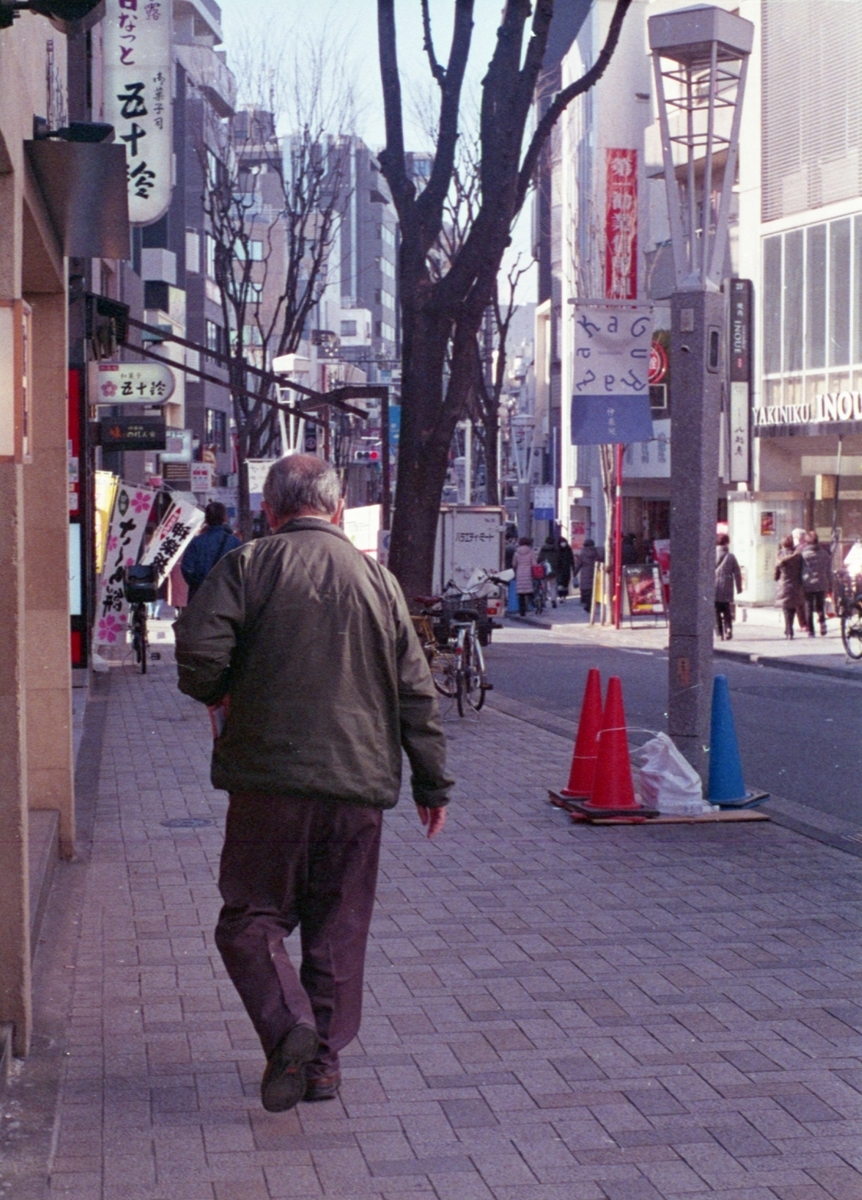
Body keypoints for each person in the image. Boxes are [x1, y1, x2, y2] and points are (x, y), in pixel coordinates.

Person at [173, 455, 453, 1113]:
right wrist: (433, 785)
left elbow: (197, 656)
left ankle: (286, 1027)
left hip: (268, 781)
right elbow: (418, 692)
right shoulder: (380, 583)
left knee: (251, 918)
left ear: (271, 511)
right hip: (358, 785)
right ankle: (321, 1067)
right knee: (338, 927)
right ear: (335, 510)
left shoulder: (248, 567)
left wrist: (221, 694)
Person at [180, 501, 242, 603]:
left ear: (206, 519)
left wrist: (198, 584)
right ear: (224, 517)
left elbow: (186, 568)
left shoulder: (196, 542)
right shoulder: (234, 542)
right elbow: (240, 570)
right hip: (226, 597)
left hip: (199, 596)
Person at [800, 530, 833, 637]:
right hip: (821, 583)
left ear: (807, 542)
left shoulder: (803, 555)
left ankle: (811, 630)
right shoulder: (824, 554)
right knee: (820, 606)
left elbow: (799, 570)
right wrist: (830, 585)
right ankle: (822, 623)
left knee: (808, 606)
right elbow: (829, 571)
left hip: (807, 583)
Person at [774, 534, 804, 639]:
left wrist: (777, 577)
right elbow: (801, 570)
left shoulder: (780, 556)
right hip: (795, 584)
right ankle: (789, 628)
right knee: (792, 608)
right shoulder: (797, 556)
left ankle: (788, 629)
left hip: (784, 585)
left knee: (786, 609)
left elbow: (776, 574)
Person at [715, 533, 743, 640]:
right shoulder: (731, 556)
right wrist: (739, 587)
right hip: (727, 584)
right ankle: (728, 629)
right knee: (726, 608)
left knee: (716, 609)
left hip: (714, 585)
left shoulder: (711, 554)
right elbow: (737, 572)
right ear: (727, 543)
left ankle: (719, 633)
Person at [573, 538, 602, 614]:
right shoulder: (596, 552)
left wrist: (574, 573)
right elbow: (599, 561)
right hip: (595, 572)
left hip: (585, 573)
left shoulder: (583, 553)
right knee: (593, 590)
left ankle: (588, 606)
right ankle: (591, 605)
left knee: (587, 591)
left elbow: (579, 564)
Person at [512, 536, 538, 616]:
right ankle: (534, 606)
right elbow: (534, 564)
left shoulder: (516, 553)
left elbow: (514, 564)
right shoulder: (531, 552)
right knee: (530, 591)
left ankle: (522, 612)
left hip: (520, 573)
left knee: (521, 594)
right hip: (528, 573)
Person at [537, 535, 560, 608]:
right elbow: (558, 560)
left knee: (544, 586)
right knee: (553, 585)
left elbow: (539, 559)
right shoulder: (556, 550)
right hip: (553, 570)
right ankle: (553, 600)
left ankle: (543, 601)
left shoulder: (543, 550)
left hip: (544, 570)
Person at [556, 537, 576, 601]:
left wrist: (573, 568)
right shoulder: (557, 550)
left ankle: (564, 595)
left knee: (566, 583)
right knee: (560, 583)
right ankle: (560, 595)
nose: (563, 544)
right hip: (559, 569)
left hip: (566, 569)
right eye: (562, 542)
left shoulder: (569, 549)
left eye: (564, 542)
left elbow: (572, 559)